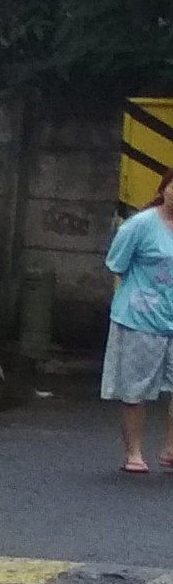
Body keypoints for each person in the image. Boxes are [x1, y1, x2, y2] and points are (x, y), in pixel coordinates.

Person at [107, 195, 173, 473]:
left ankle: (171, 448)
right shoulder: (140, 225)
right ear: (164, 189)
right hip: (140, 317)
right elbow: (117, 264)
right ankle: (133, 452)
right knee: (135, 386)